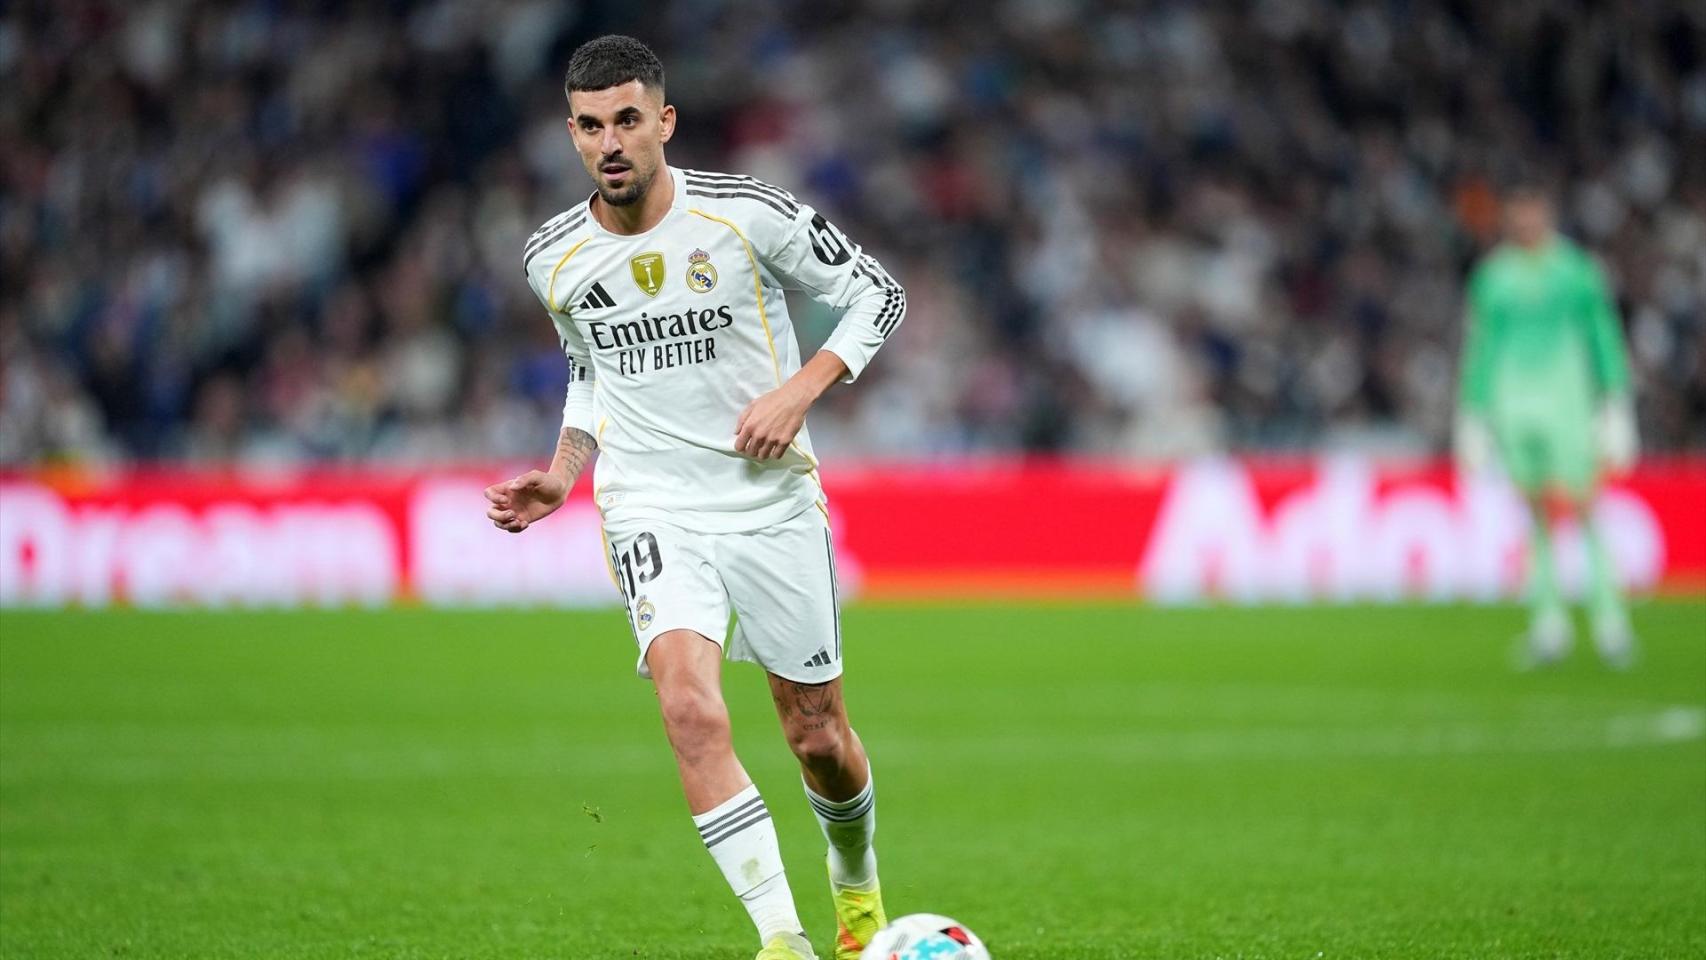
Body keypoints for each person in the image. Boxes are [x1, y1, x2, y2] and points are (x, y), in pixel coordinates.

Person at [483, 35, 902, 960]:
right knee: (689, 710)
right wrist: (561, 471)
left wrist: (801, 391)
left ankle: (856, 887)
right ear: (572, 135)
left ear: (664, 121)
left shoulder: (747, 214)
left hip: (770, 505)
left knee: (818, 733)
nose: (611, 143)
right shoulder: (551, 258)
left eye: (628, 119)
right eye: (591, 127)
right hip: (650, 505)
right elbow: (590, 374)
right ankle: (782, 938)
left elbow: (878, 293)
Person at [1456, 181, 1638, 668]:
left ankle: (1609, 617)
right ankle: (1548, 621)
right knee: (1533, 510)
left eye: (1533, 212)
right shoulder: (1493, 277)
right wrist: (1473, 413)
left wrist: (1615, 401)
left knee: (1582, 505)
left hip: (1567, 400)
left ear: (1547, 212)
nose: (1525, 222)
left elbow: (1603, 333)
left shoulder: (1577, 272)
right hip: (1513, 405)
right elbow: (1481, 347)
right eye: (1517, 214)